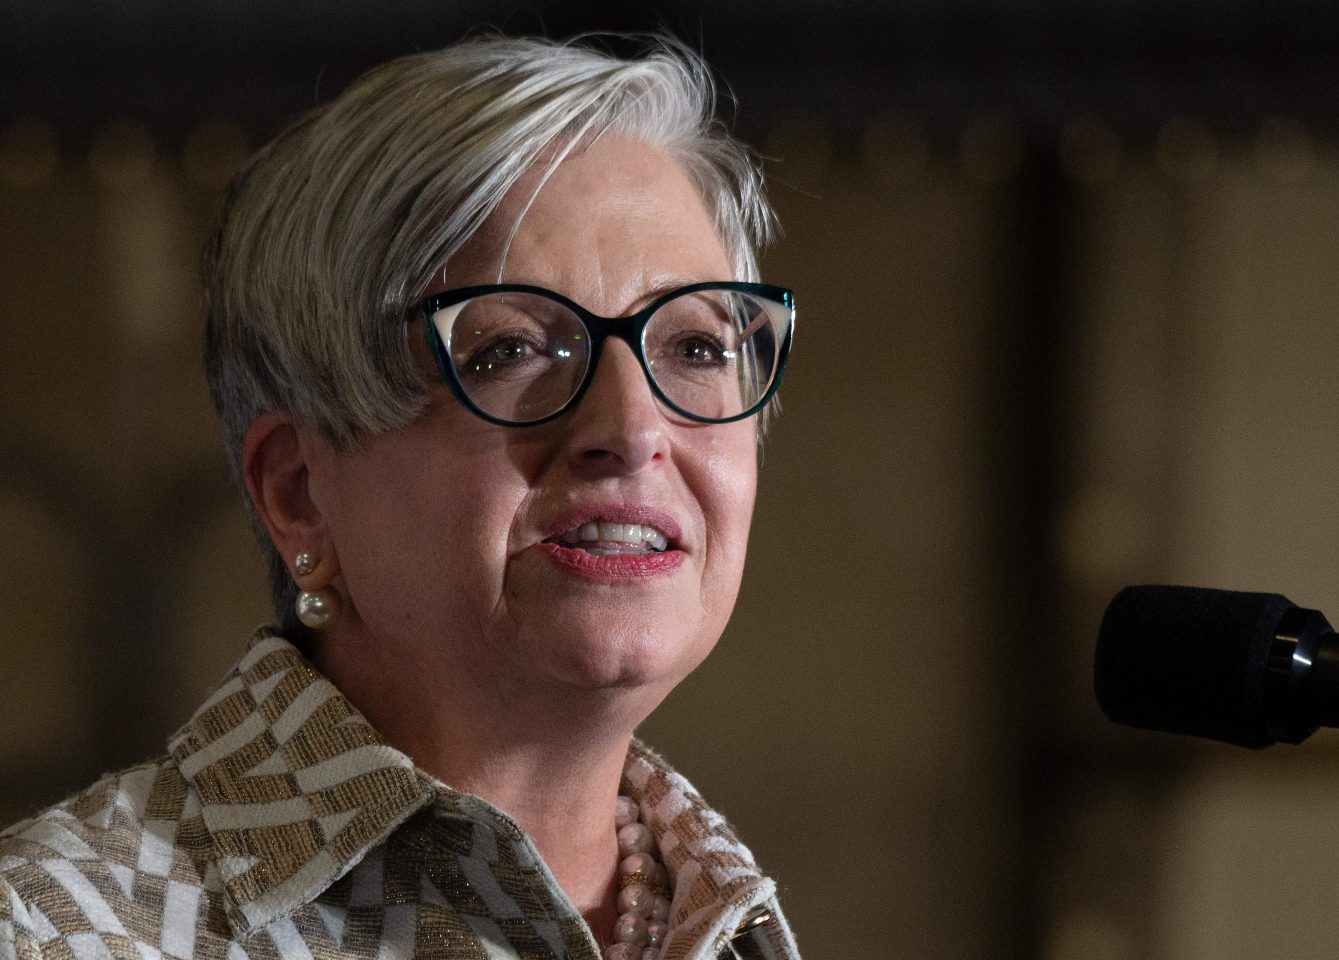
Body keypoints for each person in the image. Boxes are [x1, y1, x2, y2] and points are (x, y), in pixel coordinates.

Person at [0, 35, 798, 960]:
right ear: (300, 494)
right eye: (509, 350)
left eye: (695, 347)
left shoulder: (721, 924)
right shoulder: (49, 934)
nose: (632, 427)